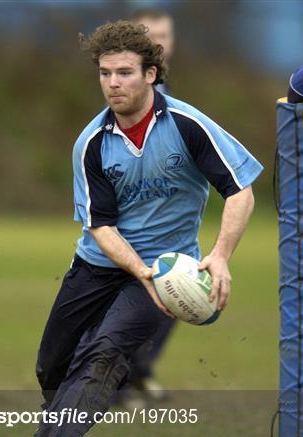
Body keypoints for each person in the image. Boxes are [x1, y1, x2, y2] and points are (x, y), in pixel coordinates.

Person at [19, 20, 263, 437]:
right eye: (106, 73)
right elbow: (100, 225)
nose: (113, 82)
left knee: (105, 351)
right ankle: (73, 414)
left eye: (125, 72)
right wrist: (138, 269)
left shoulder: (188, 126)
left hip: (166, 269)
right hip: (98, 266)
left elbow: (240, 190)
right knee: (51, 365)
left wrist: (219, 256)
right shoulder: (91, 143)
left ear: (151, 74)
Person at [115, 9, 176, 407]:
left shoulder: (169, 100)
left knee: (178, 290)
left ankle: (139, 372)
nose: (160, 41)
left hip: (165, 222)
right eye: (150, 34)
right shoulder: (128, 92)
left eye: (165, 34)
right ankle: (118, 380)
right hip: (126, 223)